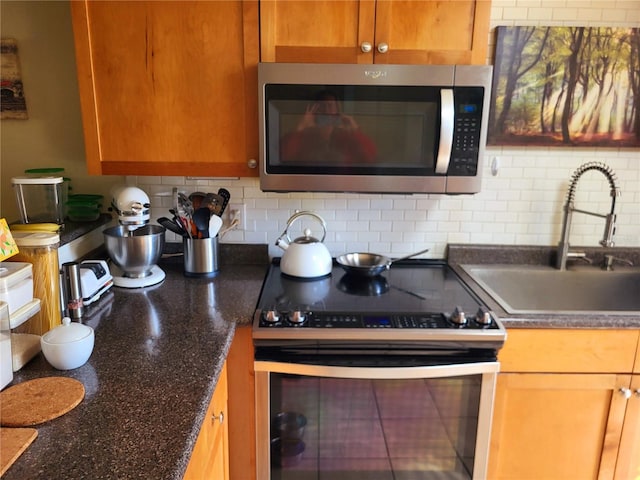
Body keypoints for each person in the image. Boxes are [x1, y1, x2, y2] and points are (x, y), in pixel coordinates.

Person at [280, 90, 377, 164]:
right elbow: (285, 158)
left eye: (330, 106)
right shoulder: (304, 137)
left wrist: (355, 129)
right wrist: (301, 126)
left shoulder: (347, 136)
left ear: (337, 110)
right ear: (315, 111)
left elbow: (370, 158)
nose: (326, 111)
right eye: (322, 106)